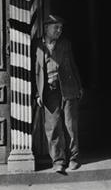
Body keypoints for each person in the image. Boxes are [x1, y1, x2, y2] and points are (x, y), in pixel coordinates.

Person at [34, 14, 83, 174]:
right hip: (48, 91)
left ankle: (74, 158)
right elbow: (34, 71)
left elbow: (73, 65)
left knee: (70, 125)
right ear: (46, 28)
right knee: (53, 127)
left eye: (61, 28)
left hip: (68, 88)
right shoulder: (37, 45)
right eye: (56, 27)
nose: (59, 30)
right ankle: (58, 161)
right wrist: (37, 93)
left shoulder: (65, 44)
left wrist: (79, 86)